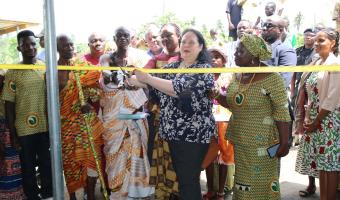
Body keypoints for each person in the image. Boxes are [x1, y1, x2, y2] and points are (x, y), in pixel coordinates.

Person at [130, 29, 216, 200]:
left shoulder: (203, 69)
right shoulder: (173, 66)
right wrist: (131, 79)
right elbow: (154, 84)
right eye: (183, 41)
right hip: (173, 133)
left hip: (193, 136)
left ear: (200, 47)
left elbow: (179, 90)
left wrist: (146, 79)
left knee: (188, 181)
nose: (186, 45)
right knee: (184, 180)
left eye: (191, 42)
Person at [215, 33, 291, 199]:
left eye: (240, 51)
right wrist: (216, 94)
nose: (235, 54)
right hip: (241, 141)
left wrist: (285, 141)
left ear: (254, 55)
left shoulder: (272, 78)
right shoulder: (237, 76)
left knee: (261, 185)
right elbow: (234, 104)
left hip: (262, 143)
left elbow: (282, 111)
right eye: (236, 51)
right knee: (243, 185)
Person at [99, 26, 154, 199]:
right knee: (115, 157)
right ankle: (118, 194)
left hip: (135, 117)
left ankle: (135, 193)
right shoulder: (106, 58)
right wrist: (118, 78)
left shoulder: (141, 57)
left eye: (126, 35)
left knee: (136, 154)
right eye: (119, 36)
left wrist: (136, 81)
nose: (123, 38)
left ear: (131, 38)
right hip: (114, 120)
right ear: (114, 39)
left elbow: (148, 82)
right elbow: (107, 77)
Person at [2, 30, 52, 200]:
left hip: (45, 126)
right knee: (28, 167)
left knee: (47, 164)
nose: (30, 47)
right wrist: (13, 134)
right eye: (25, 45)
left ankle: (48, 194)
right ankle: (32, 196)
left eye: (32, 44)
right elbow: (9, 104)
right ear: (19, 48)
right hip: (24, 129)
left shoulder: (44, 67)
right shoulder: (13, 72)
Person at [57, 34, 104, 200]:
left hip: (85, 122)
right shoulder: (52, 70)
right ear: (57, 48)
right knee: (70, 162)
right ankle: (73, 197)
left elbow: (97, 90)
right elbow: (51, 100)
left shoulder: (82, 66)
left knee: (92, 158)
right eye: (64, 46)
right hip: (66, 125)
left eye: (71, 45)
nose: (69, 48)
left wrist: (89, 101)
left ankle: (90, 194)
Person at [144, 23, 181, 200]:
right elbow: (143, 76)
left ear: (179, 36)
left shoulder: (188, 59)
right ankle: (164, 193)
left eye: (169, 35)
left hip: (182, 120)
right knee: (159, 155)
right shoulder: (155, 60)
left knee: (178, 158)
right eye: (162, 35)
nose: (165, 39)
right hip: (159, 116)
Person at [303, 28, 340, 200]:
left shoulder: (335, 64)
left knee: (330, 165)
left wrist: (317, 121)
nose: (316, 43)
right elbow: (312, 93)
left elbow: (332, 98)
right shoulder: (318, 63)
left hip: (328, 119)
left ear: (333, 43)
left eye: (322, 40)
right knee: (323, 165)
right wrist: (307, 117)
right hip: (317, 119)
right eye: (316, 40)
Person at [203, 47, 234, 200]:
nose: (214, 59)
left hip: (224, 120)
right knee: (209, 155)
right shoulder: (204, 75)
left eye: (217, 57)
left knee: (223, 156)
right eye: (211, 57)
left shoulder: (230, 76)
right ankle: (210, 189)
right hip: (207, 120)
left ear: (224, 60)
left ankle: (221, 191)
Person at [0, 69, 26, 200]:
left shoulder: (8, 91)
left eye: (1, 78)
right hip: (3, 137)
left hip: (11, 133)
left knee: (15, 166)